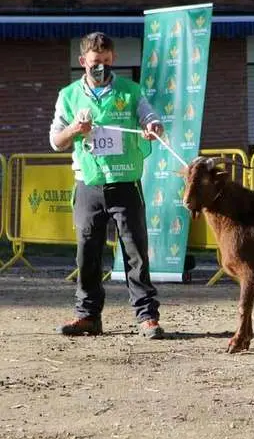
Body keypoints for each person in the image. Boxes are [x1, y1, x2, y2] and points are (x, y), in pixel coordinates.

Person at [49, 31, 166, 339]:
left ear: (113, 59)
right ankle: (87, 316)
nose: (99, 66)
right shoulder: (69, 95)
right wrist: (76, 128)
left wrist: (152, 127)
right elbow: (56, 141)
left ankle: (147, 317)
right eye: (93, 62)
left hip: (125, 182)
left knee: (135, 252)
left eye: (104, 61)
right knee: (86, 253)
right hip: (88, 184)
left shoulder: (130, 91)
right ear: (82, 62)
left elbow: (151, 118)